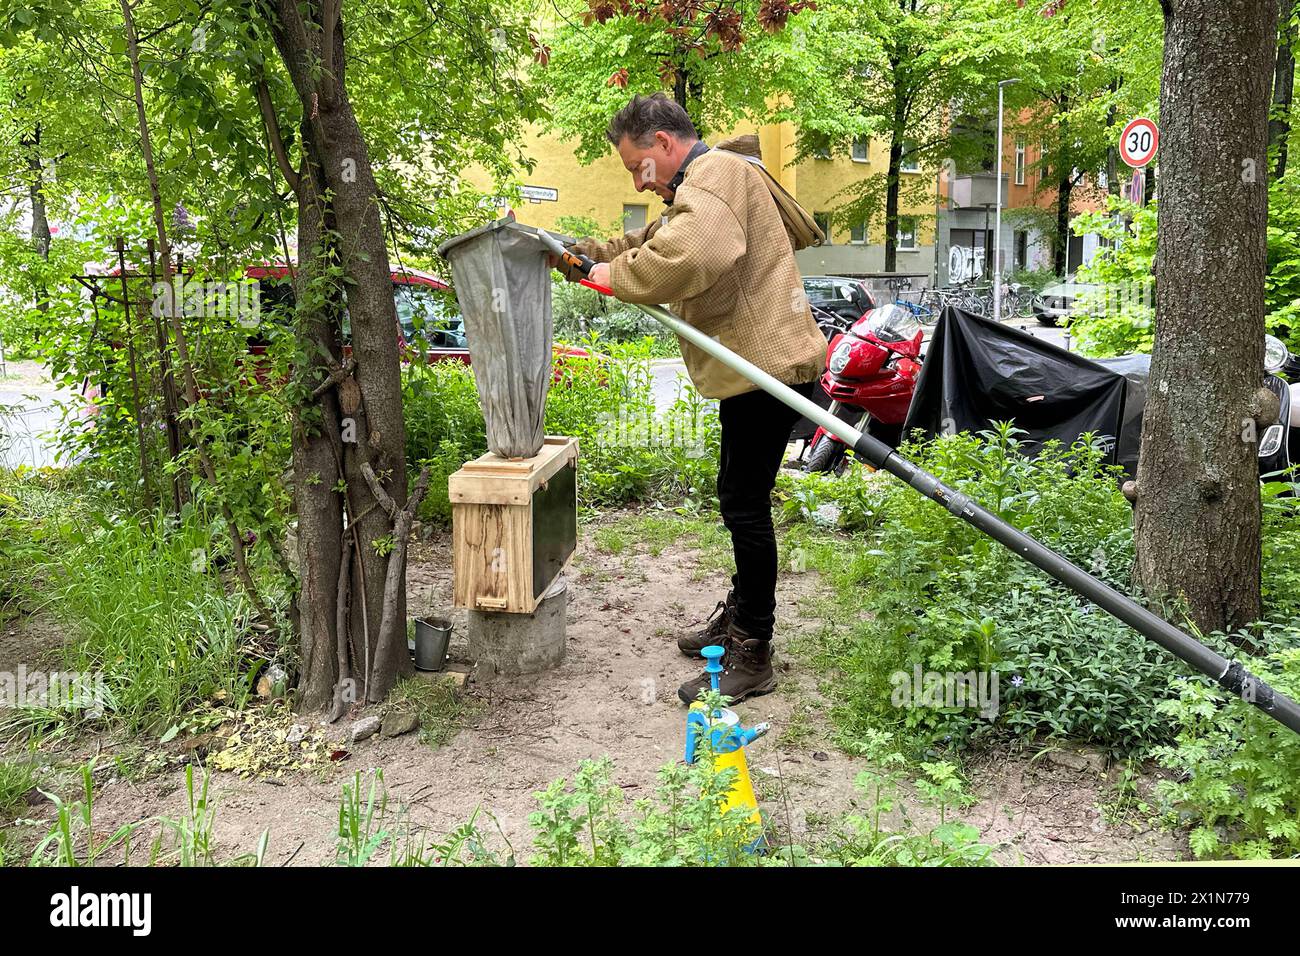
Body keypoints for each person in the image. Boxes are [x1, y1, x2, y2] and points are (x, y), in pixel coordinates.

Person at [555, 92, 827, 704]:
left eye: (635, 166)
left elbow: (695, 252)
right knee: (740, 498)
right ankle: (739, 616)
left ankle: (753, 647)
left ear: (662, 143)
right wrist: (579, 255)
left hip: (768, 370)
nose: (637, 178)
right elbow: (646, 242)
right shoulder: (699, 190)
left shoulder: (717, 175)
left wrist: (612, 281)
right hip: (756, 371)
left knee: (744, 505)